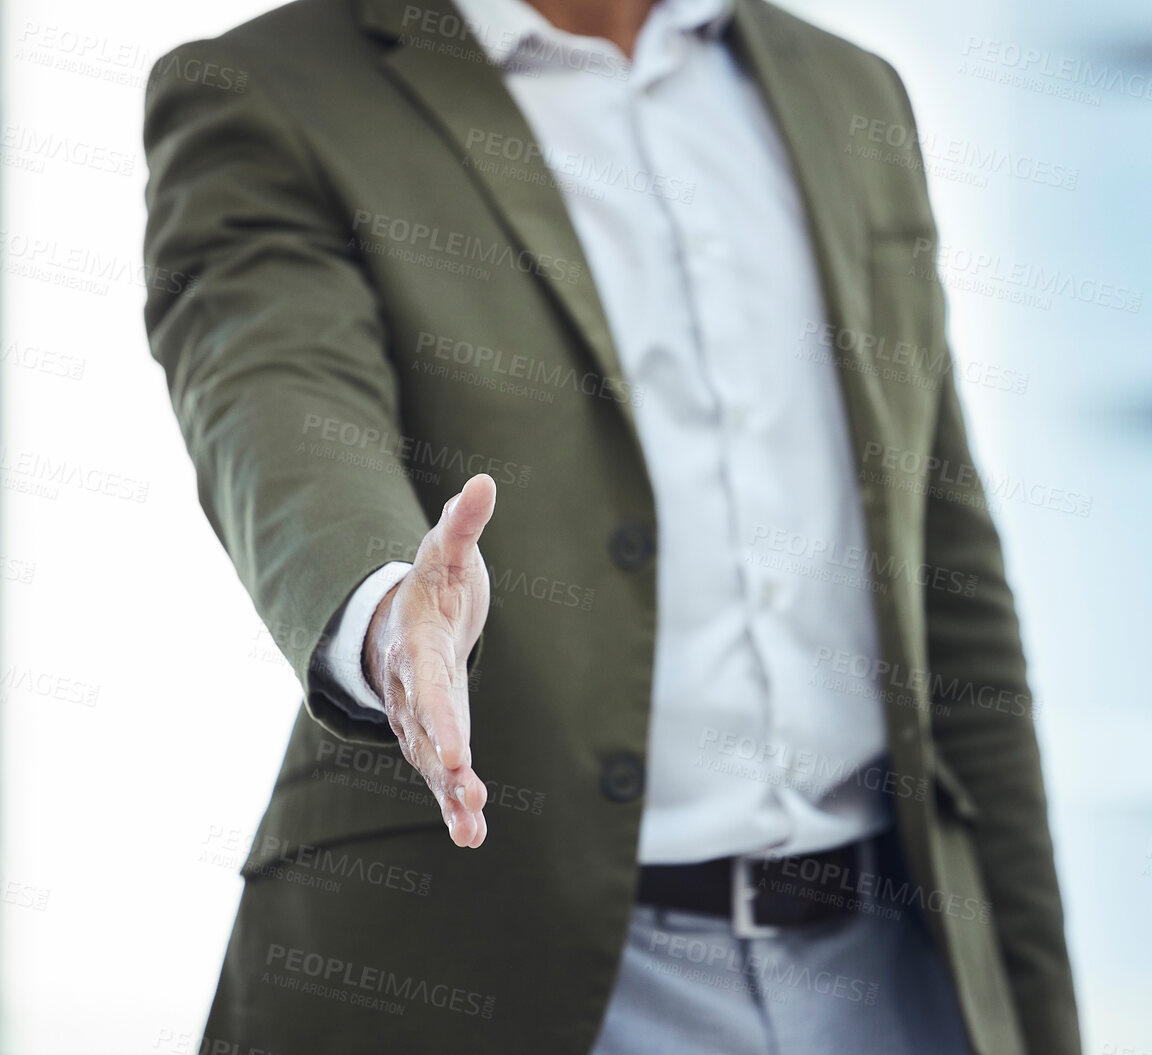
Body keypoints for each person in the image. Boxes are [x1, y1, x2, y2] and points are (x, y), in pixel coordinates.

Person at [141, 0, 1077, 1051]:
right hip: (505, 972)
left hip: (895, 981)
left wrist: (1038, 1014)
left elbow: (947, 575)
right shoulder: (274, 88)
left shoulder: (851, 90)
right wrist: (383, 613)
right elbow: (276, 392)